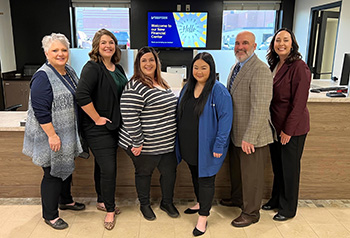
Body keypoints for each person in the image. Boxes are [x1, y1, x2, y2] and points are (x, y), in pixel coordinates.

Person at [22, 33, 85, 230]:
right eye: (55, 50)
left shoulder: (69, 71)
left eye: (64, 50)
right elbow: (40, 110)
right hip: (50, 135)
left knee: (64, 167)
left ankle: (65, 200)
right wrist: (52, 135)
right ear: (46, 53)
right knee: (52, 174)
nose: (60, 54)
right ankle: (50, 215)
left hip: (66, 134)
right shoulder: (42, 76)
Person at [119, 46, 179, 221]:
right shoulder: (135, 86)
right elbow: (129, 116)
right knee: (144, 173)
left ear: (157, 62)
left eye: (151, 60)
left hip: (166, 143)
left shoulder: (162, 82)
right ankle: (144, 205)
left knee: (169, 173)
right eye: (143, 60)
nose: (148, 63)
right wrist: (137, 142)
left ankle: (167, 202)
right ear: (138, 64)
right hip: (144, 145)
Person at [76, 29, 128, 230]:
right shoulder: (93, 68)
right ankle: (109, 210)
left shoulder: (118, 68)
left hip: (114, 126)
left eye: (112, 42)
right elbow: (82, 95)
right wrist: (97, 118)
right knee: (109, 169)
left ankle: (101, 199)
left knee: (101, 166)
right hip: (98, 129)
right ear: (96, 46)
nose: (108, 46)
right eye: (104, 42)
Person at [176, 52, 233, 236]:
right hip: (189, 145)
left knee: (206, 179)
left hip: (207, 146)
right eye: (196, 68)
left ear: (211, 69)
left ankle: (203, 217)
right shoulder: (187, 88)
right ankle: (200, 202)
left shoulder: (218, 90)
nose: (199, 72)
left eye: (203, 68)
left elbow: (226, 120)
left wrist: (219, 145)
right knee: (195, 173)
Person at [224, 31, 275, 227]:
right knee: (238, 172)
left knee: (251, 175)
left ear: (254, 47)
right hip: (236, 132)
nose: (240, 47)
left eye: (245, 43)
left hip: (252, 136)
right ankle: (238, 199)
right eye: (237, 43)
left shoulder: (260, 69)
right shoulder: (236, 66)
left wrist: (250, 137)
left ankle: (251, 212)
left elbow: (261, 107)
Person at [261, 28, 311, 221]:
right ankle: (276, 199)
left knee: (289, 169)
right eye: (277, 40)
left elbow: (299, 103)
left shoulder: (299, 67)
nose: (281, 43)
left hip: (292, 129)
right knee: (278, 167)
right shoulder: (275, 64)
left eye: (285, 40)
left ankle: (288, 209)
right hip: (275, 126)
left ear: (292, 44)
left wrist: (288, 130)